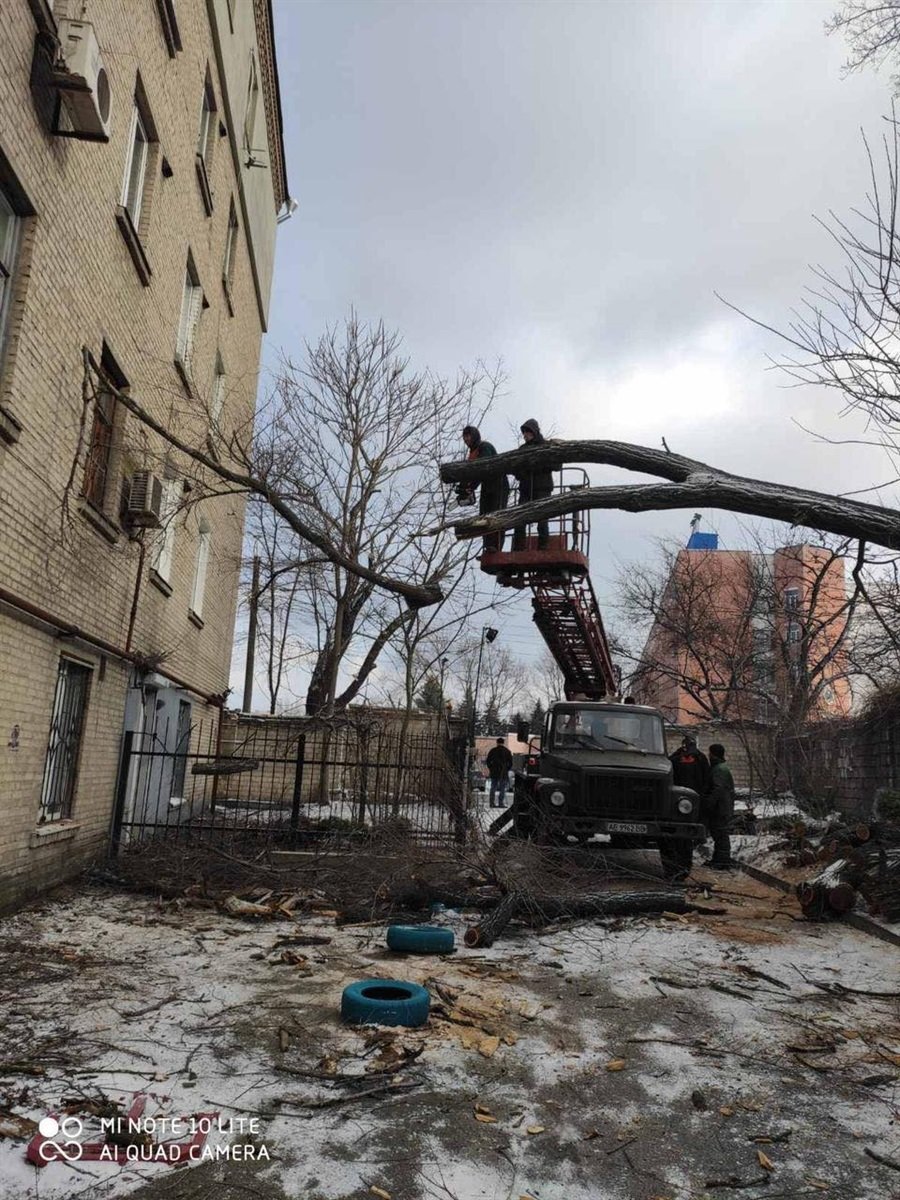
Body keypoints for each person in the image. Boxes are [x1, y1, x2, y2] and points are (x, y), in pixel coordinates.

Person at [460, 426, 509, 553]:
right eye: (464, 437)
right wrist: (463, 488)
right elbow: (469, 473)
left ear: (474, 435)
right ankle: (487, 546)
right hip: (487, 486)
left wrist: (471, 487)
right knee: (483, 515)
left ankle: (496, 546)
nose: (466, 439)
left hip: (499, 485)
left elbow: (484, 468)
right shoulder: (472, 453)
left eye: (468, 436)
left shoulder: (485, 447)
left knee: (496, 514)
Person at [512, 419, 554, 551]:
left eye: (527, 432)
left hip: (542, 488)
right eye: (523, 432)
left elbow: (557, 464)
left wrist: (539, 465)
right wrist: (522, 473)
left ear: (533, 432)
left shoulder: (546, 447)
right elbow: (515, 469)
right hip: (526, 489)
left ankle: (543, 546)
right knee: (519, 518)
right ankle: (519, 547)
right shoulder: (522, 450)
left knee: (542, 519)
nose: (524, 435)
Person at [706, 743, 736, 869]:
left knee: (721, 834)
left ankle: (723, 861)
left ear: (713, 754)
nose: (708, 755)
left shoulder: (719, 769)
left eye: (710, 753)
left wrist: (709, 803)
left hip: (721, 808)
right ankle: (717, 860)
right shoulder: (719, 767)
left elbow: (718, 789)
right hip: (721, 807)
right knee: (718, 834)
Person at [485, 737, 513, 807]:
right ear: (503, 743)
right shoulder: (507, 751)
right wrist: (507, 769)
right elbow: (511, 763)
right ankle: (501, 803)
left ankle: (491, 803)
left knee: (493, 787)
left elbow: (488, 761)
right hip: (503, 772)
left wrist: (491, 768)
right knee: (502, 788)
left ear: (497, 742)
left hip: (494, 772)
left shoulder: (493, 751)